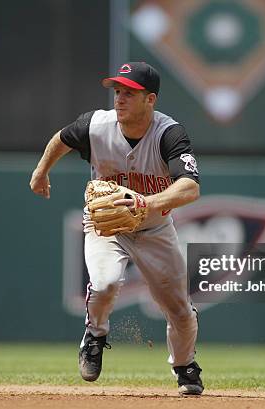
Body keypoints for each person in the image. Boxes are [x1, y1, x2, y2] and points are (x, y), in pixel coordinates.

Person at [29, 62, 203, 395]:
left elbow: (190, 187)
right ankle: (95, 334)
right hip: (106, 226)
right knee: (106, 283)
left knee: (180, 309)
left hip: (154, 228)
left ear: (150, 100)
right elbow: (61, 139)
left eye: (129, 93)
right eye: (117, 92)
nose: (119, 99)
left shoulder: (169, 134)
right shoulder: (96, 126)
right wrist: (41, 172)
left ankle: (185, 367)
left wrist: (146, 204)